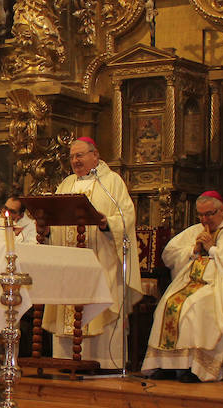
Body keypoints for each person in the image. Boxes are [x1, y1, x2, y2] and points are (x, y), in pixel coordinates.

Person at [141, 192, 223, 382]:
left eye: (209, 214)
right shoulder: (194, 230)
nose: (205, 219)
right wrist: (193, 250)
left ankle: (197, 367)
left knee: (195, 306)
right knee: (167, 304)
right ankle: (168, 365)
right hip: (191, 283)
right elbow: (169, 254)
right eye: (200, 215)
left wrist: (213, 249)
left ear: (222, 210)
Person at [42, 137, 143, 369]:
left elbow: (127, 216)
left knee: (99, 306)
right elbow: (56, 220)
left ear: (95, 155)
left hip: (101, 261)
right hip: (69, 264)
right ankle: (65, 362)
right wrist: (47, 229)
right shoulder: (66, 184)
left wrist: (108, 223)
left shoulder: (111, 182)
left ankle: (104, 362)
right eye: (72, 157)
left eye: (80, 155)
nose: (75, 161)